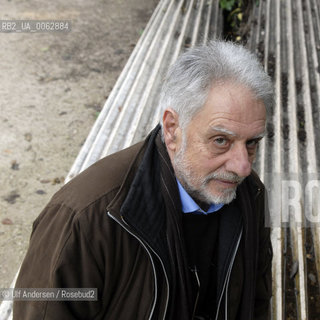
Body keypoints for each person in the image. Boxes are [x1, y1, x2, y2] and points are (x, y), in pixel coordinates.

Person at [14, 40, 273, 320]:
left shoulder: (249, 195)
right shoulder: (85, 219)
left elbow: (257, 301)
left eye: (252, 143)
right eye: (221, 140)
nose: (243, 166)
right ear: (172, 129)